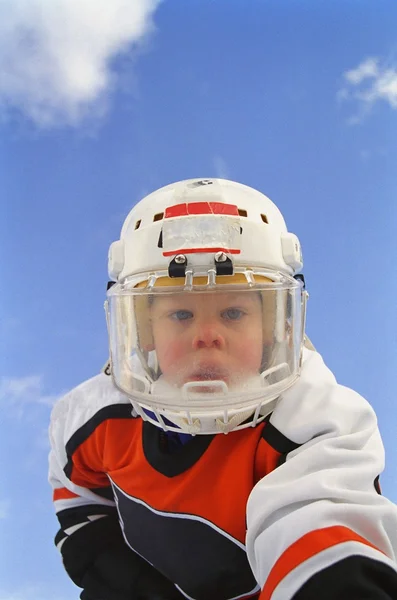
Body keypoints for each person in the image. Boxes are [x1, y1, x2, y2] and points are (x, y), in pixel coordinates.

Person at [48, 178, 397, 600]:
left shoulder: (316, 422)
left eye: (233, 311)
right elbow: (78, 496)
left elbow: (323, 530)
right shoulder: (92, 416)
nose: (207, 335)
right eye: (180, 314)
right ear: (143, 332)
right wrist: (124, 579)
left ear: (274, 328)